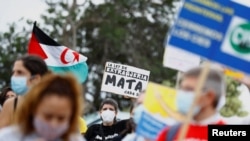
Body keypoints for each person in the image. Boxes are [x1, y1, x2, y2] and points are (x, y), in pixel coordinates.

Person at [0, 73, 85, 141]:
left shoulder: (75, 139)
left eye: (61, 118)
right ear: (33, 110)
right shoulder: (7, 137)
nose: (53, 124)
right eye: (48, 116)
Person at [156, 66, 226, 141]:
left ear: (209, 96)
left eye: (189, 89)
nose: (182, 94)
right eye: (181, 89)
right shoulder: (170, 133)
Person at [0, 54, 49, 129]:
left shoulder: (53, 104)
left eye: (19, 72)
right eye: (13, 73)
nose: (14, 77)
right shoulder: (10, 104)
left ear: (36, 79)